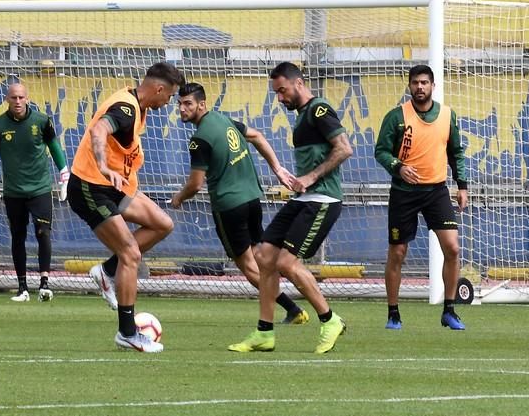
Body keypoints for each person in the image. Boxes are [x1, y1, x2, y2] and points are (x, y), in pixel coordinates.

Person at [228, 62, 352, 354]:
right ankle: (264, 332)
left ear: (299, 83)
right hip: (304, 199)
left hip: (323, 200)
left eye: (282, 90)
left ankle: (330, 319)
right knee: (264, 256)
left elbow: (344, 148)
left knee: (285, 262)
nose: (280, 98)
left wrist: (311, 176)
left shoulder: (319, 110)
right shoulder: (302, 117)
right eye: (276, 93)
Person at [67, 62, 185, 353]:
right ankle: (127, 332)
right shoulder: (126, 109)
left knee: (162, 224)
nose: (169, 102)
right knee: (130, 253)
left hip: (116, 187)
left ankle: (107, 271)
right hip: (91, 187)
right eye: (169, 97)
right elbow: (98, 130)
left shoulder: (138, 105)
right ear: (159, 89)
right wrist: (105, 167)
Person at [169, 82, 309, 324]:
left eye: (188, 104)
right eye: (179, 104)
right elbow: (257, 135)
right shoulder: (224, 121)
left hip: (229, 205)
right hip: (252, 198)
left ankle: (293, 309)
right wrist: (277, 169)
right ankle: (298, 299)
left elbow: (195, 184)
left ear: (202, 104)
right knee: (261, 257)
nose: (182, 109)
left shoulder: (199, 140)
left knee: (248, 266)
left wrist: (178, 198)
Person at [374, 64, 468, 331]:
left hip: (436, 191)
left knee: (452, 248)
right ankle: (393, 313)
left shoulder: (447, 116)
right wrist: (398, 167)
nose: (420, 87)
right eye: (415, 83)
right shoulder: (397, 117)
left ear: (433, 86)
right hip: (404, 194)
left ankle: (449, 310)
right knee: (398, 252)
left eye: (424, 83)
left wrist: (462, 186)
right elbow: (380, 151)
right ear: (409, 86)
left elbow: (456, 153)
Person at [0, 83, 69, 303]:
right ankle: (22, 289)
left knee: (43, 233)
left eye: (21, 97)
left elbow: (55, 148)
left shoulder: (41, 121)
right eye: (13, 98)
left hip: (40, 188)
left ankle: (44, 285)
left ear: (27, 98)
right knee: (18, 237)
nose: (17, 101)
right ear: (7, 100)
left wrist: (64, 175)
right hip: (13, 192)